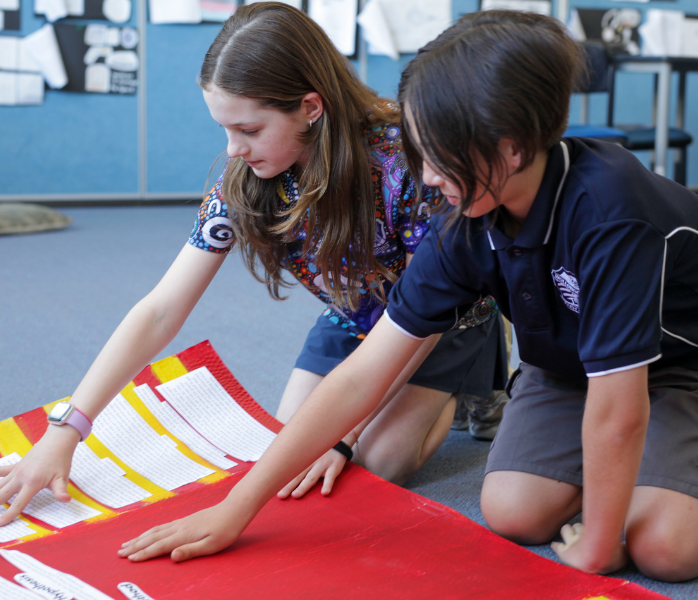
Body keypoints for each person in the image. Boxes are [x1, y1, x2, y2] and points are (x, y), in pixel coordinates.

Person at [110, 10, 698, 584]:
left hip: (673, 365)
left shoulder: (609, 208)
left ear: (511, 149)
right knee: (516, 511)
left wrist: (598, 544)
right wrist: (236, 507)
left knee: (666, 551)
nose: (426, 177)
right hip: (566, 367)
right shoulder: (466, 216)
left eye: (436, 155)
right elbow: (363, 371)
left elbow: (619, 408)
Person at [0, 2, 506, 528]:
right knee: (290, 446)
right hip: (352, 314)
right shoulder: (247, 178)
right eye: (225, 129)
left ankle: (472, 376)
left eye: (249, 130)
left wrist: (346, 435)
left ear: (311, 107)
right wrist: (66, 430)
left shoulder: (402, 165)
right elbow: (160, 310)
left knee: (374, 461)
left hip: (434, 325)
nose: (234, 150)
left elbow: (418, 316)